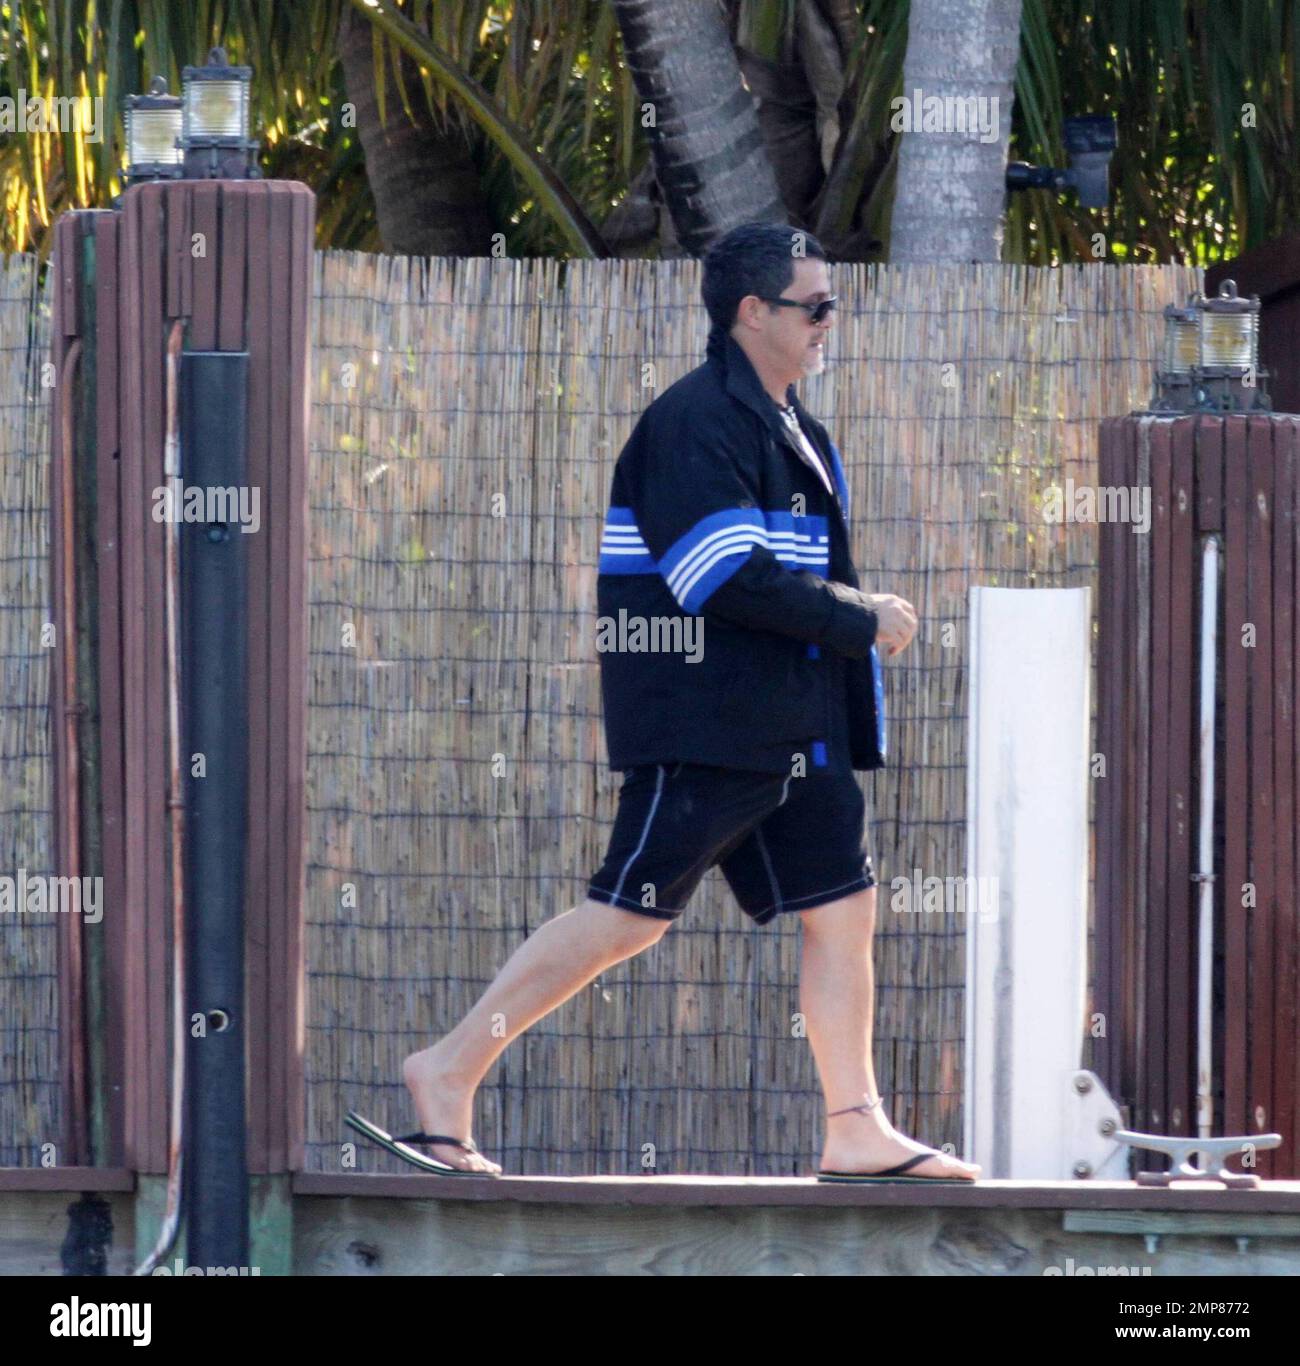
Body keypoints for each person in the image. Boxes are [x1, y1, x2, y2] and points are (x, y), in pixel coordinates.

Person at [348, 222, 980, 1183]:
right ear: (751, 313)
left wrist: (841, 644)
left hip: (794, 725)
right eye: (815, 306)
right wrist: (859, 614)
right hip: (711, 724)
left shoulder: (796, 429)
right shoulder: (692, 423)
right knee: (629, 915)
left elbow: (775, 576)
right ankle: (446, 1070)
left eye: (831, 303)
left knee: (844, 908)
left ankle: (855, 1126)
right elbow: (718, 577)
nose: (829, 323)